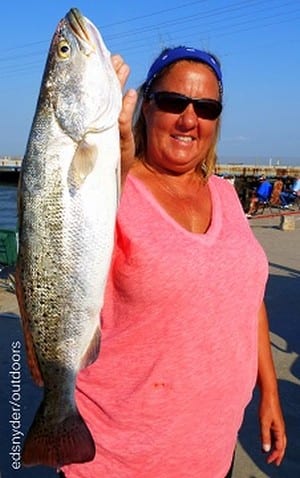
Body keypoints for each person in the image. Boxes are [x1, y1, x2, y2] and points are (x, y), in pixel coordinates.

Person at [62, 46, 286, 478]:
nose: (189, 119)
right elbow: (54, 243)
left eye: (205, 107)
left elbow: (248, 299)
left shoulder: (224, 194)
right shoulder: (108, 192)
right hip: (117, 456)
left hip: (211, 452)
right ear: (145, 105)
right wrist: (108, 173)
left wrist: (269, 392)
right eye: (172, 102)